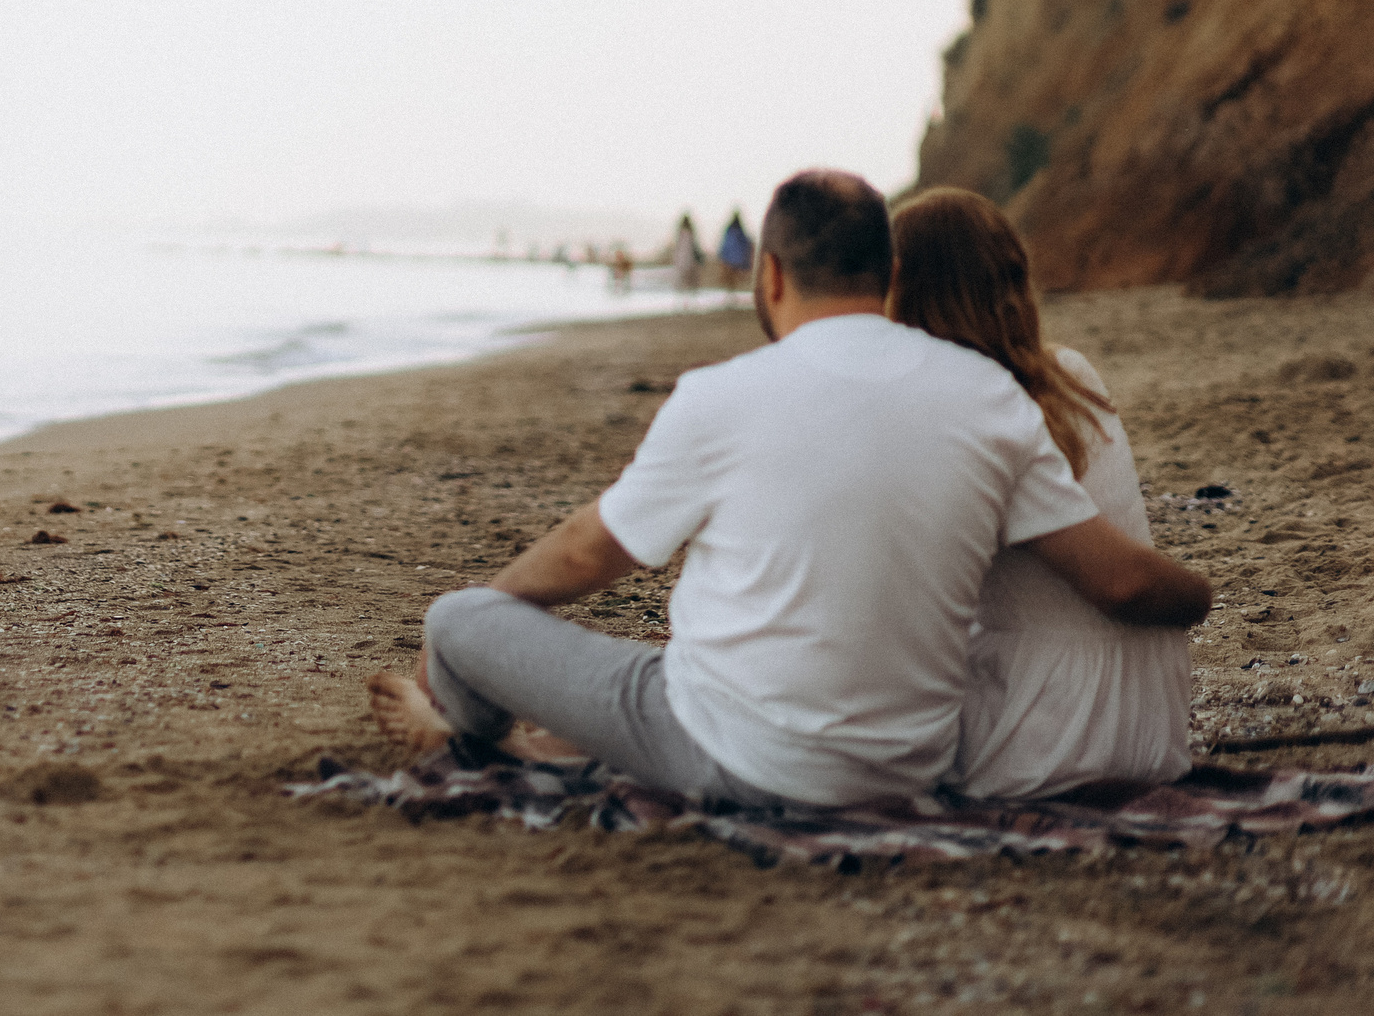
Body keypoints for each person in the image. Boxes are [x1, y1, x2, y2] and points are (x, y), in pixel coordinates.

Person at [365, 169, 1212, 809]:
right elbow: (1115, 574)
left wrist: (495, 609)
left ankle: (463, 731)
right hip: (911, 762)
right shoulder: (990, 395)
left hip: (743, 760)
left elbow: (592, 549)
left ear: (769, 275)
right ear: (883, 274)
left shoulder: (721, 393)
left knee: (460, 618)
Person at [890, 188, 1193, 798]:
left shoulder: (965, 412)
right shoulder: (1071, 373)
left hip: (1047, 733)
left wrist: (1198, 594)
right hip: (1146, 718)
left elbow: (1121, 583)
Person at [716, 209, 754, 290]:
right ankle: (731, 292)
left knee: (731, 279)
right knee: (732, 279)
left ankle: (731, 292)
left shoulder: (731, 231)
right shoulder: (738, 231)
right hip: (736, 259)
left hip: (730, 259)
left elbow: (725, 245)